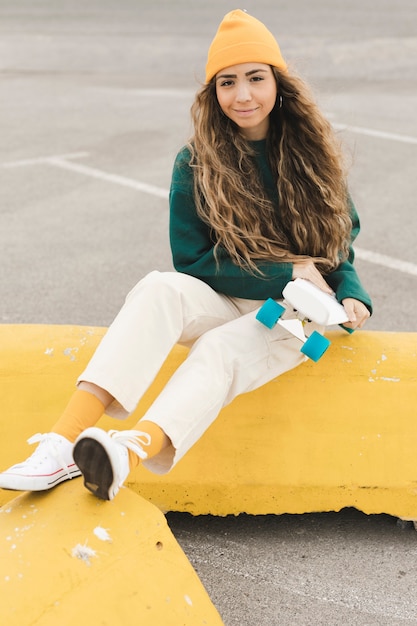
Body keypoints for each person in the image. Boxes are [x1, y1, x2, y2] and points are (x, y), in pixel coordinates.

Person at [0, 9, 371, 501]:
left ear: (278, 83)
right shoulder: (197, 160)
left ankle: (125, 453)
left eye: (256, 79)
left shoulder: (314, 152)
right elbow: (191, 260)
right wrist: (285, 268)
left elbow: (338, 245)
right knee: (158, 289)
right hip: (232, 289)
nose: (242, 95)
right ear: (213, 93)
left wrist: (352, 293)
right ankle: (61, 445)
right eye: (227, 82)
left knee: (221, 349)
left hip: (298, 311)